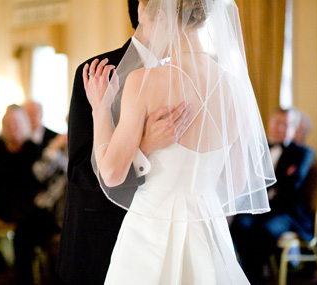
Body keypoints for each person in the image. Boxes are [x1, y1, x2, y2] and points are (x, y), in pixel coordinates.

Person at [84, 0, 276, 283]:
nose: (143, 34)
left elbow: (111, 174)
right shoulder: (235, 87)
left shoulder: (143, 81)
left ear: (161, 18)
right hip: (208, 224)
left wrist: (100, 109)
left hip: (151, 227)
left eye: (143, 24)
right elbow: (235, 183)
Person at [57, 0, 193, 283]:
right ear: (144, 11)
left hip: (168, 227)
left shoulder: (191, 78)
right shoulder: (98, 71)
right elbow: (80, 171)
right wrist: (142, 147)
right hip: (103, 231)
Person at [231, 108, 314, 282]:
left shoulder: (303, 153)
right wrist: (282, 176)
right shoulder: (258, 149)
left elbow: (293, 184)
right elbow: (247, 180)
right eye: (276, 123)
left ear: (294, 128)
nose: (280, 128)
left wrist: (267, 181)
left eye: (285, 124)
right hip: (261, 208)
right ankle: (251, 276)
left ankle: (258, 276)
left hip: (286, 212)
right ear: (269, 124)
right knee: (239, 224)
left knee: (265, 232)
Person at [0, 105, 57, 285]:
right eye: (8, 124)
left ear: (24, 125)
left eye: (16, 123)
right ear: (2, 126)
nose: (12, 127)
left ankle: (27, 275)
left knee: (27, 226)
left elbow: (41, 181)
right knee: (33, 221)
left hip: (28, 204)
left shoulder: (33, 148)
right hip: (6, 204)